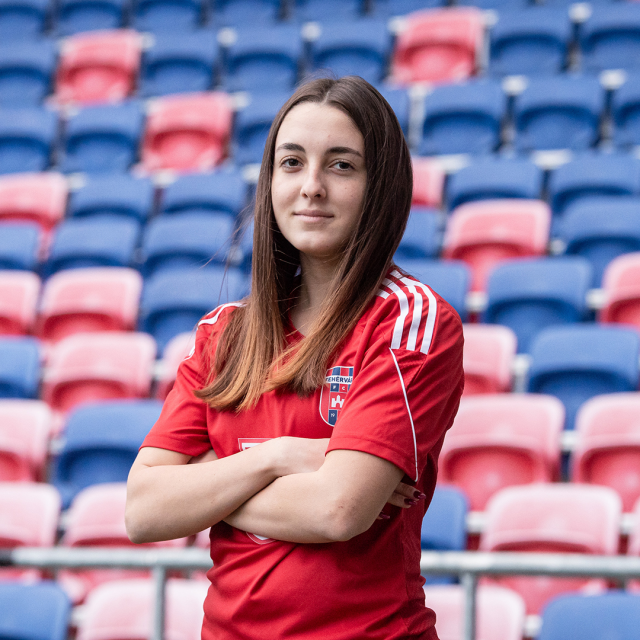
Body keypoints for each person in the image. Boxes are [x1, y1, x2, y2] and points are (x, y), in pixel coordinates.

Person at [126, 76, 464, 640]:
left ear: (381, 186)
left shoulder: (410, 321)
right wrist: (277, 457)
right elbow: (143, 510)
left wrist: (206, 488)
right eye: (292, 163)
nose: (311, 187)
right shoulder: (223, 334)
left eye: (341, 165)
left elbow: (337, 510)